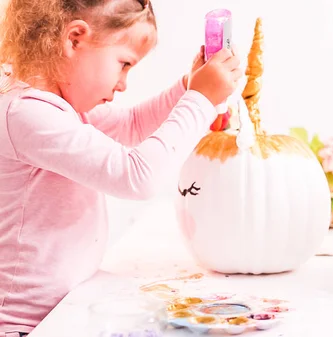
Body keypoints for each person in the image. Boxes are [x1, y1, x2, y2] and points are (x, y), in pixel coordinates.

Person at [0, 0, 243, 335]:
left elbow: (131, 125)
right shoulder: (27, 114)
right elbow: (137, 178)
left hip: (64, 310)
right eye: (124, 63)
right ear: (74, 39)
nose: (124, 83)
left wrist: (191, 87)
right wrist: (200, 100)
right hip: (27, 326)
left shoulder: (60, 106)